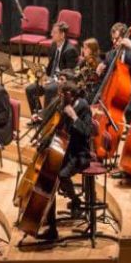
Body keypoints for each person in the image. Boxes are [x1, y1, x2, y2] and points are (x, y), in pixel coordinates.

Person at [37, 82, 92, 242]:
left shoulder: (83, 106)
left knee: (60, 176)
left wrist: (74, 117)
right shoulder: (63, 105)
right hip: (65, 150)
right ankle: (51, 226)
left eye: (62, 94)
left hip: (79, 154)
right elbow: (57, 128)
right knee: (49, 177)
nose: (60, 97)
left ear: (70, 95)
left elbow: (87, 132)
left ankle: (76, 202)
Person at [27, 22, 78, 115]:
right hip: (51, 78)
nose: (51, 34)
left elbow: (70, 74)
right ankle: (37, 116)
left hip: (61, 82)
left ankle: (46, 119)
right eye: (52, 32)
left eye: (54, 32)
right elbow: (51, 66)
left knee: (49, 89)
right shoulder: (53, 46)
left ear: (62, 35)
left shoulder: (70, 50)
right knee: (30, 89)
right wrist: (43, 76)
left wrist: (52, 80)